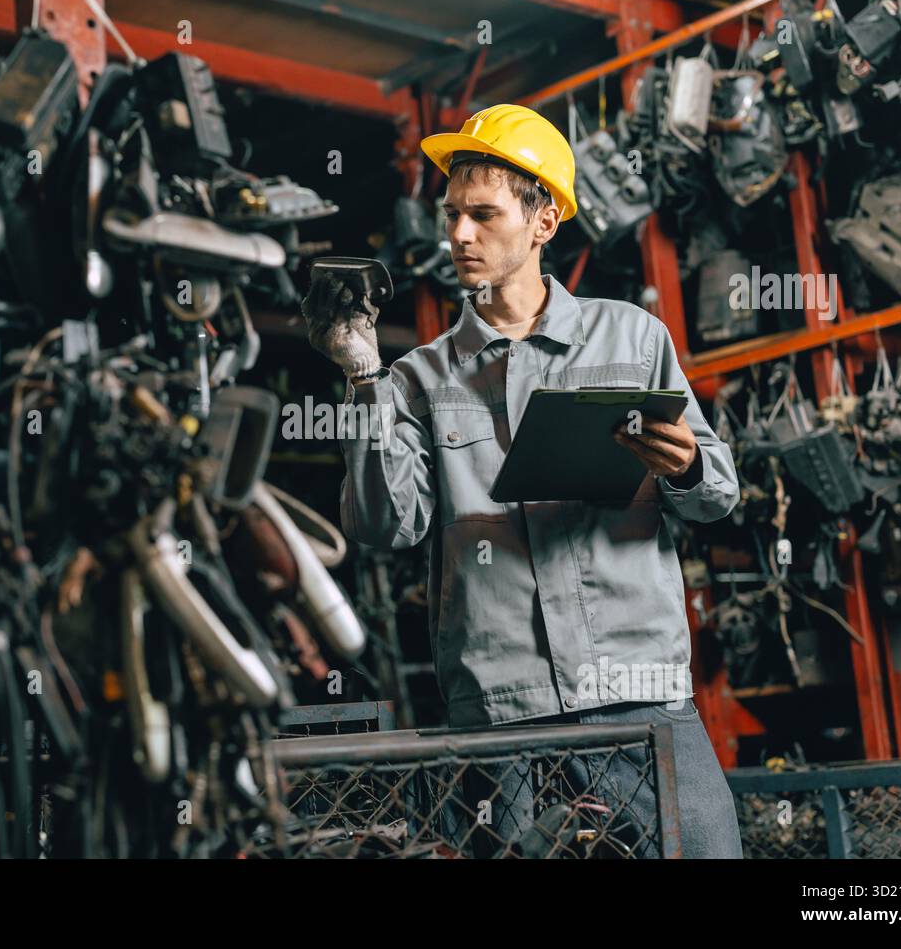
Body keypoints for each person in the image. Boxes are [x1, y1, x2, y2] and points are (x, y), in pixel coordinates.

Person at [301, 103, 743, 858]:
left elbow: (719, 491)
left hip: (639, 695)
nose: (460, 235)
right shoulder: (416, 377)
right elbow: (383, 524)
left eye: (483, 214)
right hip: (502, 715)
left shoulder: (632, 337)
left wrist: (688, 466)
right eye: (452, 215)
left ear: (543, 221)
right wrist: (361, 375)